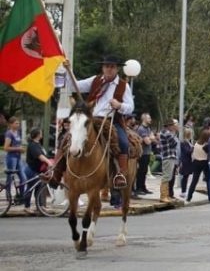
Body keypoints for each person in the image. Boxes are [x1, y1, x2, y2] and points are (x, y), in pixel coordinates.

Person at [52, 56, 134, 189]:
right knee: (66, 137)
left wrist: (119, 105)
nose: (109, 69)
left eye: (112, 67)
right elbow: (74, 86)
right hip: (91, 118)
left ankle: (121, 174)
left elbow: (131, 107)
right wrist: (68, 71)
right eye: (106, 66)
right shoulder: (95, 80)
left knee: (123, 142)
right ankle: (55, 174)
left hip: (111, 120)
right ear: (103, 68)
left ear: (117, 69)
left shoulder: (124, 86)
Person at [23, 128, 50, 215]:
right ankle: (26, 207)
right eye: (41, 132)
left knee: (38, 188)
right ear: (38, 135)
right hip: (31, 170)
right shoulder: (33, 145)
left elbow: (43, 154)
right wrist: (49, 162)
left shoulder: (37, 144)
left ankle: (40, 206)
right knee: (30, 188)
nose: (42, 134)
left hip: (37, 170)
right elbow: (40, 156)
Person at [134, 113, 156, 196]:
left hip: (147, 152)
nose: (150, 119)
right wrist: (151, 137)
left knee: (145, 171)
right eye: (149, 118)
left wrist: (150, 137)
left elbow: (153, 139)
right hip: (142, 153)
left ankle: (143, 187)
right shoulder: (141, 129)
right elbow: (148, 142)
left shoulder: (148, 129)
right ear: (144, 119)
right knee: (141, 171)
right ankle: (138, 188)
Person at [186, 128, 210, 203]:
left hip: (196, 162)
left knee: (194, 180)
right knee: (208, 180)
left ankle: (189, 196)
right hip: (205, 162)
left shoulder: (196, 144)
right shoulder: (206, 145)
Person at [159, 118, 180, 203]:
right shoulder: (167, 133)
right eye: (172, 125)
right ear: (169, 126)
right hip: (168, 156)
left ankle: (166, 195)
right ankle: (163, 195)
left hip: (169, 156)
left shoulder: (166, 132)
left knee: (169, 176)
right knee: (166, 177)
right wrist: (175, 134)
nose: (173, 127)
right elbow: (174, 143)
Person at [3, 116, 26, 192]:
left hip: (18, 157)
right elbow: (6, 148)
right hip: (11, 158)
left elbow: (17, 144)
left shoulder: (18, 132)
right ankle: (8, 195)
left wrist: (21, 148)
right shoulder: (9, 134)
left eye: (18, 123)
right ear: (11, 124)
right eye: (16, 123)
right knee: (10, 177)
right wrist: (18, 149)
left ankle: (22, 195)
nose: (18, 125)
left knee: (23, 177)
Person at [178, 128, 194, 199]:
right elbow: (187, 151)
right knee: (184, 176)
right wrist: (193, 148)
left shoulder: (189, 142)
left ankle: (184, 190)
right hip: (185, 161)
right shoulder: (184, 142)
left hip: (188, 161)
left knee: (186, 177)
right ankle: (183, 191)